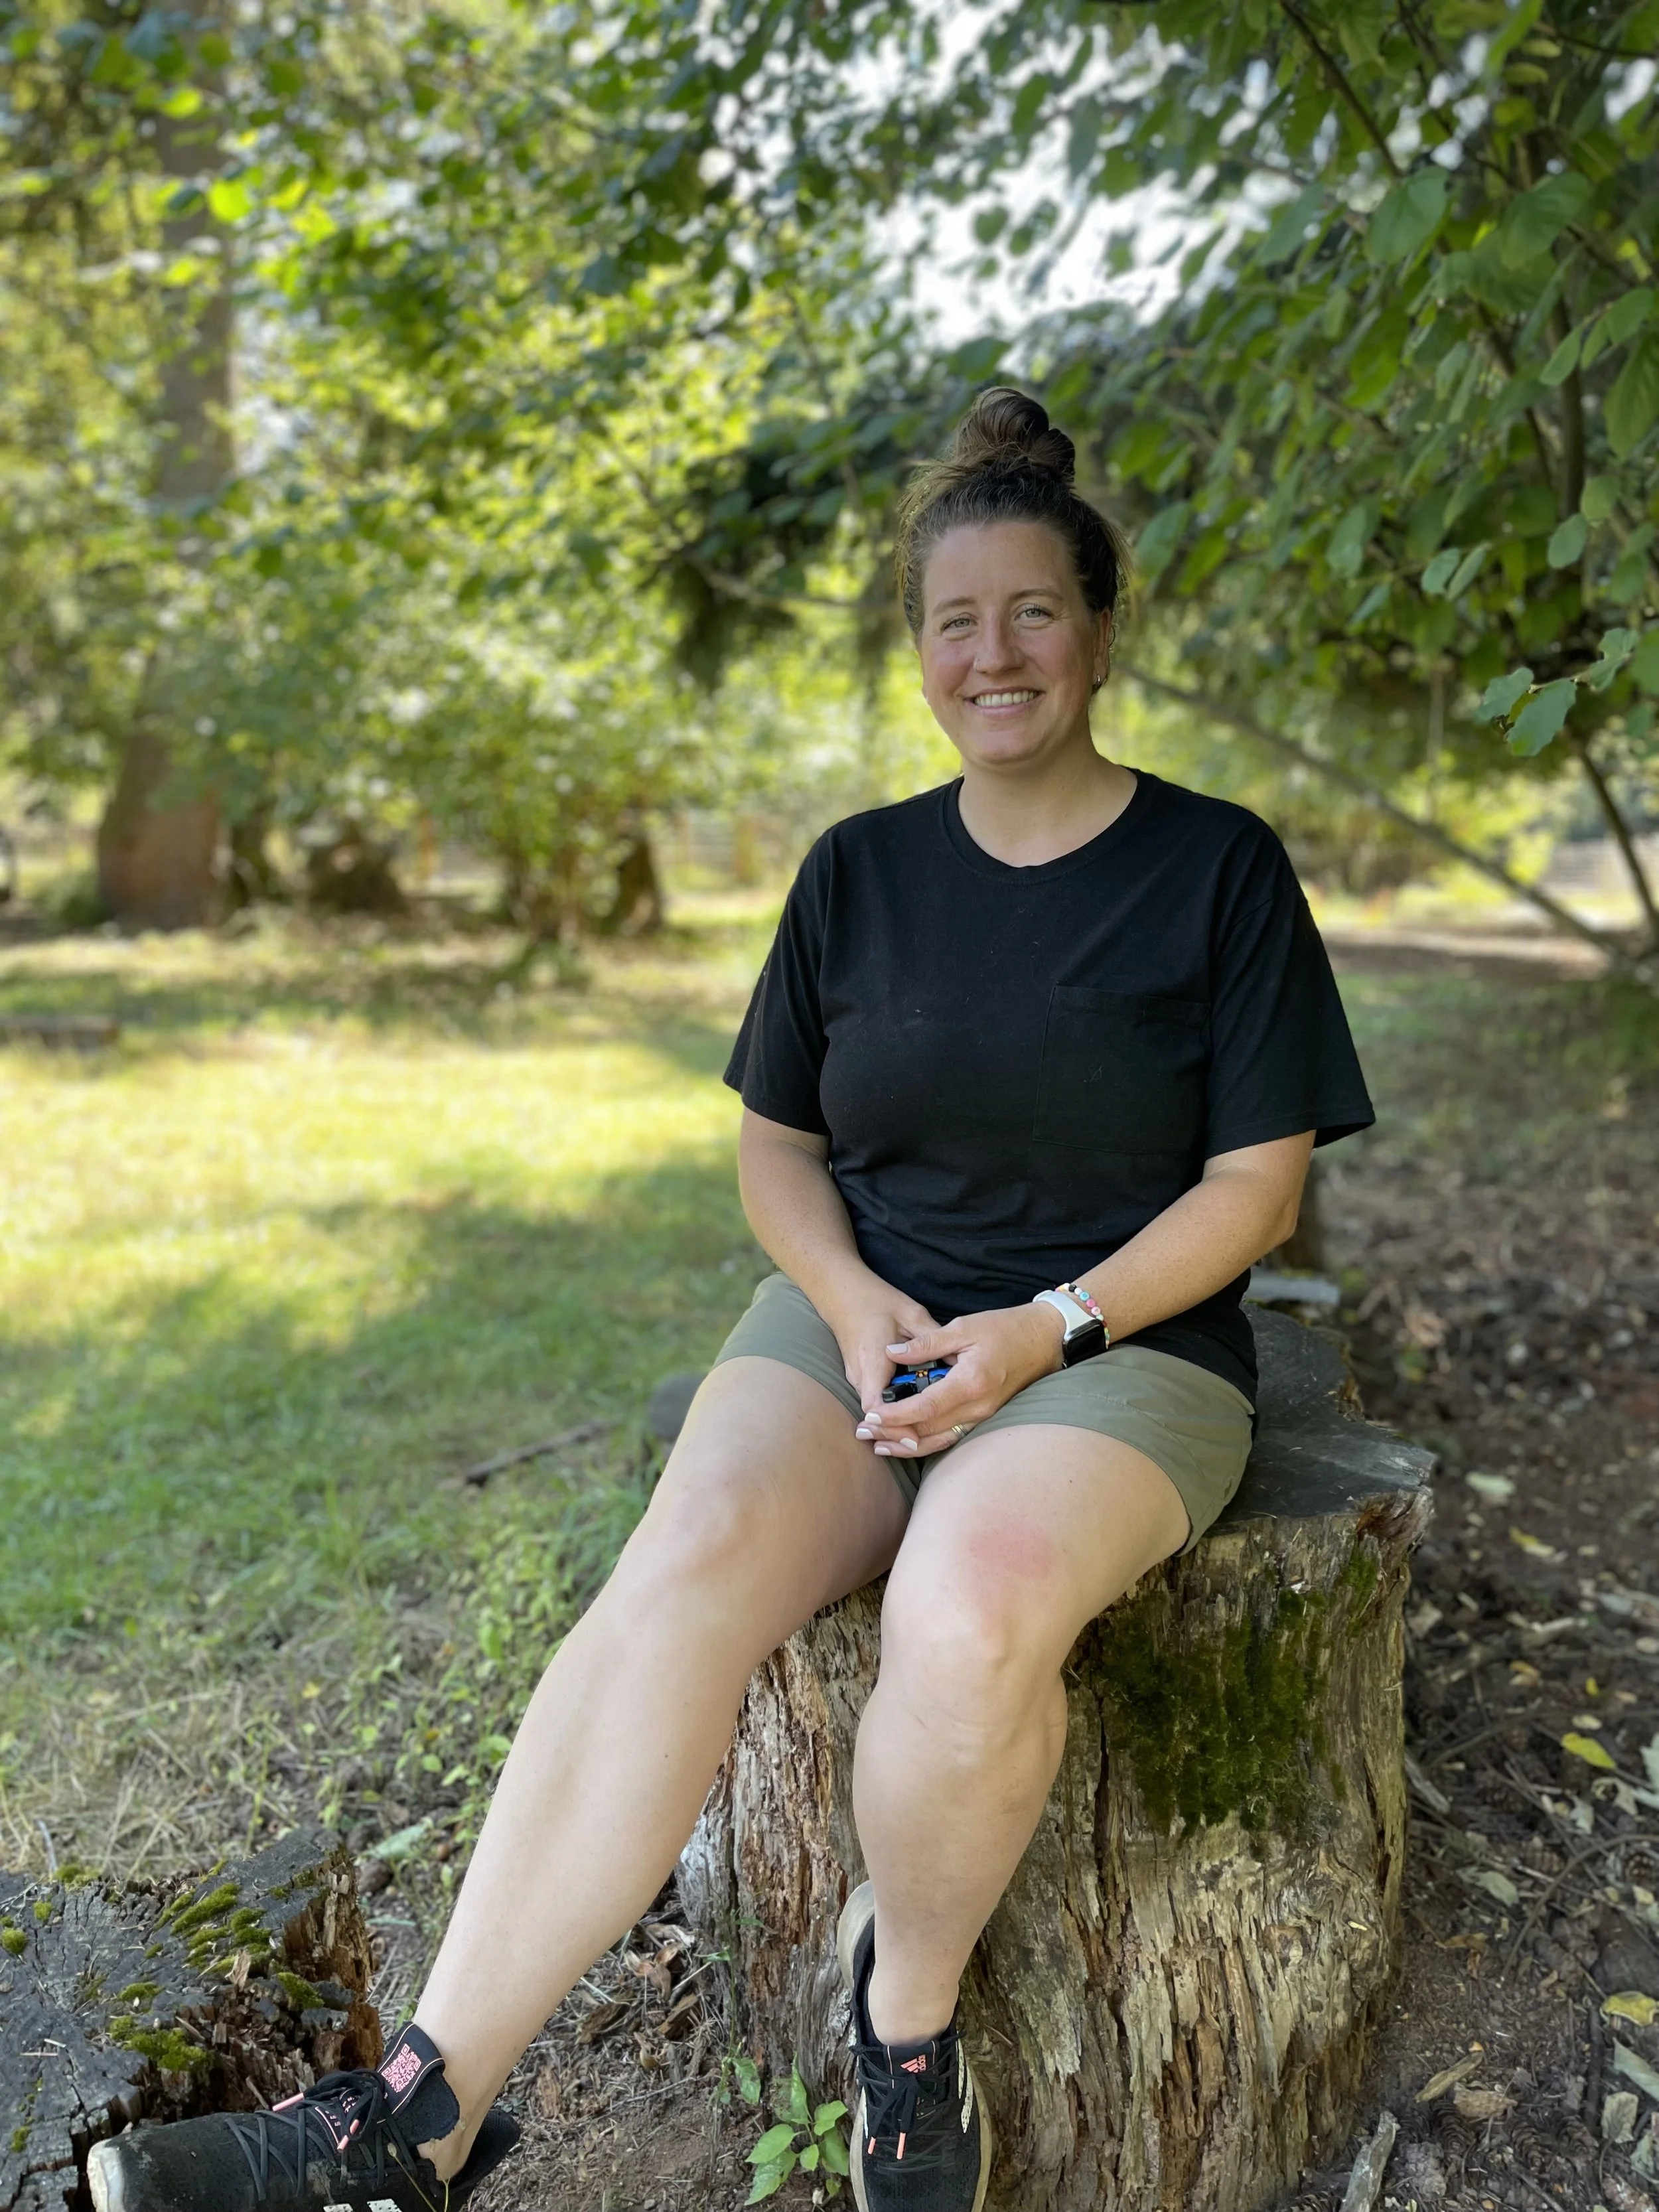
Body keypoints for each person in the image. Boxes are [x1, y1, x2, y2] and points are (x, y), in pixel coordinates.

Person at [90, 388, 1374, 2212]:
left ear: (1095, 633)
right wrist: (850, 1300)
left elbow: (1257, 1188)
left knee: (975, 1608)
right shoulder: (855, 869)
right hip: (865, 1317)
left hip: (1116, 1345)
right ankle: (412, 2118)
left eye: (1029, 613)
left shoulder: (1215, 867)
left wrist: (1040, 1330)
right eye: (954, 621)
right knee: (685, 1552)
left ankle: (902, 2020)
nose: (991, 652)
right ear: (918, 651)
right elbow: (776, 1146)